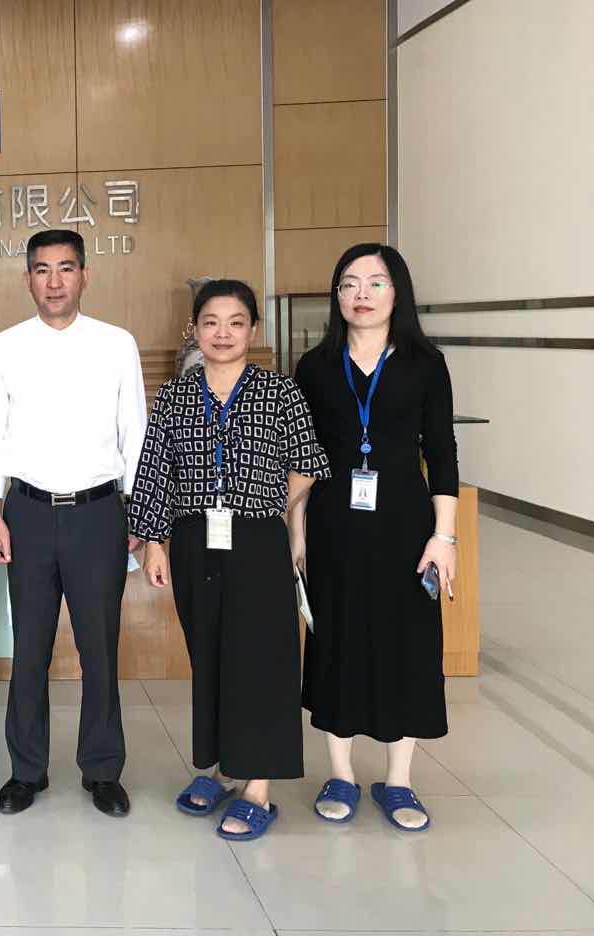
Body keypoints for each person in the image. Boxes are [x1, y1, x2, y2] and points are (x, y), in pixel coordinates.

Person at [130, 279, 329, 841]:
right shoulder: (176, 395)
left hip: (257, 540)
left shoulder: (280, 391)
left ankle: (258, 786)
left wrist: (270, 506)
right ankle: (222, 766)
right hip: (195, 539)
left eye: (236, 322)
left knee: (260, 661)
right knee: (211, 655)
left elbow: (307, 463)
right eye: (211, 322)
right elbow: (155, 471)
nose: (223, 333)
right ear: (194, 329)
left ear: (253, 330)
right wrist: (154, 542)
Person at [0, 228, 147, 817]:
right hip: (26, 512)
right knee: (29, 648)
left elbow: (135, 431)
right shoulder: (4, 348)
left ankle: (102, 769)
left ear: (84, 275)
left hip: (99, 513)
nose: (54, 282)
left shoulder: (116, 343)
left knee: (100, 647)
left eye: (66, 268)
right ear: (28, 278)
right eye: (42, 270)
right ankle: (27, 770)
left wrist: (137, 514)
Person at [293, 243, 458, 833]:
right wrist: (296, 532)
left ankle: (399, 780)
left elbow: (442, 453)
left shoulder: (425, 363)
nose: (360, 294)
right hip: (332, 524)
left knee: (405, 642)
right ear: (336, 296)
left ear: (397, 291)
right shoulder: (316, 365)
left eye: (375, 282)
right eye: (349, 284)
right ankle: (340, 773)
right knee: (335, 639)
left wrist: (444, 537)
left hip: (405, 525)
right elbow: (301, 457)